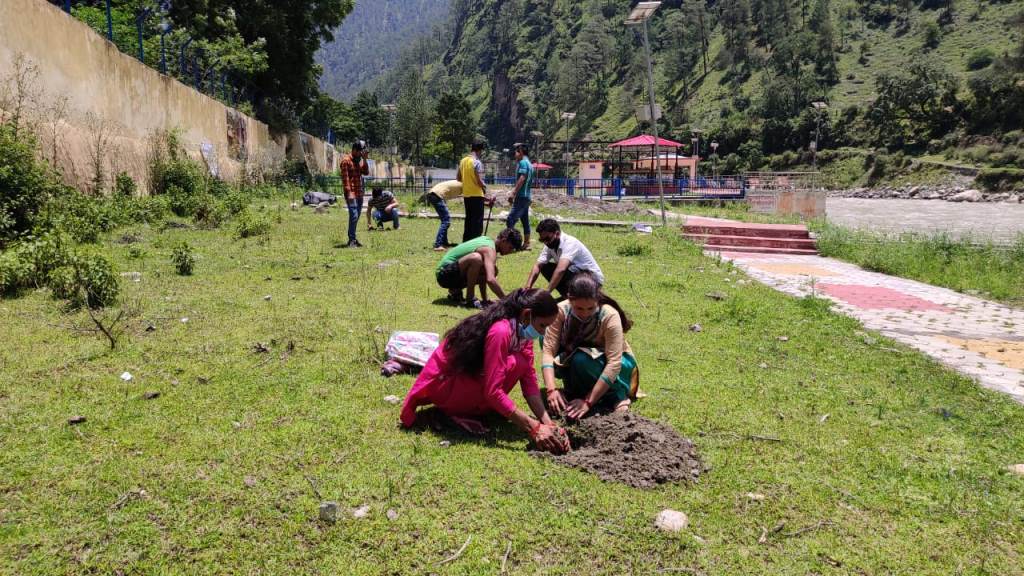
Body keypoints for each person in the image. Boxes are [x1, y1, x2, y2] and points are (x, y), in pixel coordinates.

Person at [400, 289, 571, 454]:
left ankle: (472, 409)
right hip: (447, 385)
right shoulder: (501, 331)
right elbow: (493, 391)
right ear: (527, 315)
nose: (542, 332)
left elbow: (529, 380)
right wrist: (534, 428)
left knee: (519, 363)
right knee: (514, 363)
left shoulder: (522, 334)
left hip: (467, 382)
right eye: (542, 326)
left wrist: (548, 423)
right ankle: (453, 413)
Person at [542, 272, 639, 420]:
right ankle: (574, 391)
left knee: (581, 359)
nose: (585, 314)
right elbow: (548, 352)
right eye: (579, 308)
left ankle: (616, 396)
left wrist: (588, 402)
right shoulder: (560, 311)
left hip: (614, 365)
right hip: (576, 358)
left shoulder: (609, 315)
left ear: (597, 300)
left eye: (590, 308)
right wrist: (551, 390)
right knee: (544, 336)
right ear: (569, 299)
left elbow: (614, 363)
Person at [436, 228, 522, 309]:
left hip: (451, 273)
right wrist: (507, 301)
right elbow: (490, 279)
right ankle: (470, 299)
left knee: (492, 270)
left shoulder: (488, 241)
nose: (510, 252)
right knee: (476, 258)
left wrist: (485, 300)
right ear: (503, 241)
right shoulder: (489, 249)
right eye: (510, 248)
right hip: (444, 274)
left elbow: (484, 274)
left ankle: (455, 291)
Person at [524, 219, 605, 298]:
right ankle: (567, 297)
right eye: (542, 240)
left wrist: (547, 292)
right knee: (545, 267)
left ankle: (578, 297)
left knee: (561, 271)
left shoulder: (570, 243)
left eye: (547, 239)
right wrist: (527, 288)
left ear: (557, 233)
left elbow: (561, 269)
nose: (545, 242)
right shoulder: (549, 245)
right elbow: (538, 265)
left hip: (592, 280)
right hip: (576, 275)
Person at [457, 141, 492, 241]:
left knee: (469, 219)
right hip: (477, 195)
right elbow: (479, 181)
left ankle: (466, 242)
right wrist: (485, 186)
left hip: (467, 194)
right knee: (477, 221)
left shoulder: (463, 161)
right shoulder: (477, 162)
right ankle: (476, 242)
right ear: (480, 150)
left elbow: (458, 178)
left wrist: (468, 181)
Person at [340, 140, 370, 248]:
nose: (361, 154)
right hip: (351, 193)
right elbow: (345, 179)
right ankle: (351, 240)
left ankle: (353, 238)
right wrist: (349, 193)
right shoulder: (346, 161)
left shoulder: (358, 161)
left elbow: (366, 172)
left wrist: (365, 160)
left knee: (356, 217)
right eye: (360, 152)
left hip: (359, 193)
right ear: (354, 150)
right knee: (354, 215)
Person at [506, 143, 535, 249]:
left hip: (521, 197)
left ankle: (511, 244)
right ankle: (526, 243)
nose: (515, 155)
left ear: (521, 152)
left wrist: (513, 193)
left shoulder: (523, 162)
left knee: (510, 219)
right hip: (527, 197)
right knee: (524, 220)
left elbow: (522, 178)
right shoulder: (530, 164)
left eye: (516, 152)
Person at [426, 180, 462, 251]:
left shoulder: (458, 182)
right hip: (436, 195)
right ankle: (438, 245)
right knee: (446, 221)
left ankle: (444, 242)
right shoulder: (464, 185)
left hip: (433, 194)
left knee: (445, 220)